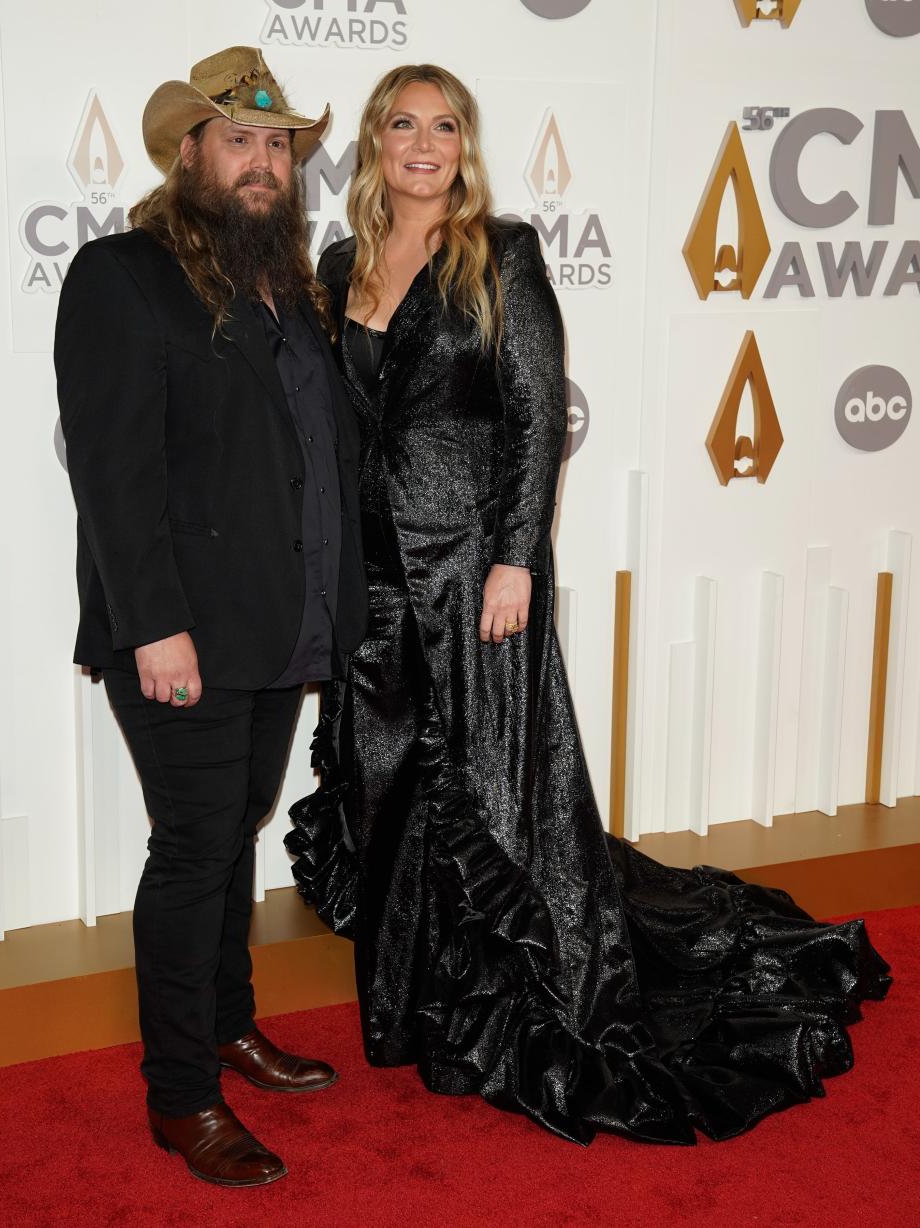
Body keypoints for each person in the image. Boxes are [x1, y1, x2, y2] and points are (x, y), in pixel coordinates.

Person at [286, 64, 892, 1146]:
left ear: (464, 146)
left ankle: (520, 1000)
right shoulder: (337, 265)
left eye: (444, 127)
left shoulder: (500, 253)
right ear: (374, 144)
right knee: (384, 799)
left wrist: (518, 557)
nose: (423, 145)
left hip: (477, 574)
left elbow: (535, 414)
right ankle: (409, 1009)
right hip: (371, 581)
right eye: (402, 125)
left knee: (492, 795)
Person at [54, 47, 367, 1186]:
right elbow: (113, 472)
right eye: (241, 140)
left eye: (280, 145)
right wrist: (153, 627)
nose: (265, 163)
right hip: (181, 631)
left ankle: (230, 1025)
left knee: (229, 832)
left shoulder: (292, 285)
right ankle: (180, 1092)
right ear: (189, 151)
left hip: (279, 629)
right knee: (192, 852)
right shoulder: (122, 275)